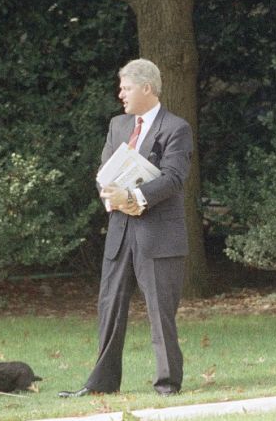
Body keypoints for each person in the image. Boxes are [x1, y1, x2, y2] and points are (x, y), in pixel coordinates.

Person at [58, 58, 193, 398]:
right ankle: (101, 384)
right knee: (109, 308)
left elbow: (174, 178)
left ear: (147, 88)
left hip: (158, 236)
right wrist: (113, 199)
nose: (121, 94)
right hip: (120, 232)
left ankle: (167, 384)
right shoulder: (118, 126)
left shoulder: (176, 128)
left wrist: (135, 196)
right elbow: (104, 173)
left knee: (161, 312)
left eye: (126, 87)